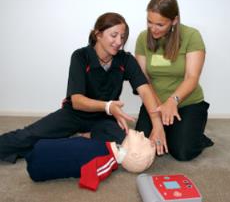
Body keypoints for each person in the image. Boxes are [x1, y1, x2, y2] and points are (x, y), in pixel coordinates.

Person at [0, 12, 166, 164]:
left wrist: (157, 126)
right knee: (29, 136)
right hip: (75, 114)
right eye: (113, 35)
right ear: (98, 34)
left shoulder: (125, 60)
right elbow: (77, 101)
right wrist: (108, 106)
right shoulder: (80, 56)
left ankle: (83, 137)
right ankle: (77, 138)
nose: (119, 42)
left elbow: (145, 90)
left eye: (122, 37)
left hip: (104, 119)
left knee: (125, 147)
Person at [134, 0, 214, 161]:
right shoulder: (143, 38)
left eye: (160, 24)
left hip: (186, 103)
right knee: (146, 149)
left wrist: (172, 101)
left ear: (174, 20)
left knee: (183, 152)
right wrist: (158, 117)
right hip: (154, 103)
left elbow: (192, 77)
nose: (153, 28)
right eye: (149, 22)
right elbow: (143, 80)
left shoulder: (192, 36)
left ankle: (195, 134)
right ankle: (172, 130)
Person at [25, 129, 156, 191]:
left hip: (41, 160)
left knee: (63, 149)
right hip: (44, 149)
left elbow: (88, 179)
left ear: (134, 155)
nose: (143, 134)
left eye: (142, 140)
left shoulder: (108, 161)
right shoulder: (108, 149)